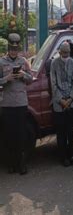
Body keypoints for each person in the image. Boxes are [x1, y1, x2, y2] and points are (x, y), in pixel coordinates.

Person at [0, 33, 33, 175]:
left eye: (16, 49)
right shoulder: (1, 62)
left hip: (20, 103)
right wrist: (6, 78)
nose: (14, 51)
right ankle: (11, 164)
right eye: (11, 48)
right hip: (7, 104)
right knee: (8, 135)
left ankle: (21, 164)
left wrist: (23, 75)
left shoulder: (24, 62)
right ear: (8, 48)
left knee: (21, 135)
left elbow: (31, 79)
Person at [50, 42, 73, 167]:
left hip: (70, 102)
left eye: (68, 53)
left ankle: (72, 155)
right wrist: (61, 100)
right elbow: (53, 84)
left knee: (71, 131)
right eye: (64, 53)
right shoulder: (54, 63)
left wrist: (70, 99)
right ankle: (63, 157)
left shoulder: (72, 62)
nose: (66, 55)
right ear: (60, 52)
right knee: (61, 132)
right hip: (59, 103)